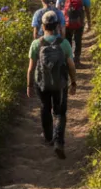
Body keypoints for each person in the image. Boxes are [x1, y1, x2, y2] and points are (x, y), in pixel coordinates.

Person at [28, 12, 77, 158]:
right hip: (60, 83)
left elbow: (31, 68)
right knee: (60, 113)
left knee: (45, 107)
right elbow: (71, 66)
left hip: (41, 83)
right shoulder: (64, 43)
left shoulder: (37, 44)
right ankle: (58, 142)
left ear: (42, 26)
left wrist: (29, 85)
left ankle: (48, 137)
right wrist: (73, 82)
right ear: (56, 26)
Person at [56, 0, 92, 67]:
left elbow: (58, 8)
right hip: (79, 21)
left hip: (66, 21)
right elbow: (87, 9)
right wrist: (89, 23)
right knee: (78, 40)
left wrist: (59, 23)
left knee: (67, 41)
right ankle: (77, 61)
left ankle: (68, 60)